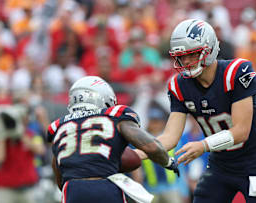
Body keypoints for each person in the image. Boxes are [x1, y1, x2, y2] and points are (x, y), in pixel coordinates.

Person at [135, 19, 256, 203]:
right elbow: (169, 137)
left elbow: (241, 131)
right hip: (221, 164)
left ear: (209, 49)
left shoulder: (236, 72)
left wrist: (203, 146)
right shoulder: (179, 85)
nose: (185, 61)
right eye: (181, 56)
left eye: (191, 55)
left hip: (254, 163)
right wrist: (137, 154)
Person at [46, 76, 179, 203]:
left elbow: (57, 170)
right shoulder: (114, 116)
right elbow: (152, 147)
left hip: (72, 190)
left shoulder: (59, 126)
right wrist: (168, 162)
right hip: (104, 186)